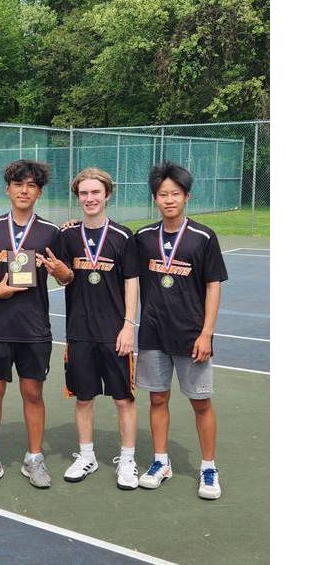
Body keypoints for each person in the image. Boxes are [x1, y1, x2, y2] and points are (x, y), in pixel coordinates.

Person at [0, 159, 70, 491]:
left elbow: (66, 278)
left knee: (32, 393)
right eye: (18, 184)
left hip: (33, 330)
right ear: (8, 189)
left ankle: (34, 459)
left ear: (39, 192)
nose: (24, 190)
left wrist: (61, 270)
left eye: (31, 185)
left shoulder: (50, 232)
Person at [131, 162, 229, 500]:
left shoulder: (203, 237)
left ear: (186, 197)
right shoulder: (143, 237)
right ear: (155, 199)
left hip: (191, 336)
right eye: (162, 194)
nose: (169, 200)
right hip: (154, 335)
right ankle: (161, 462)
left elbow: (213, 287)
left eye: (175, 194)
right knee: (158, 398)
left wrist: (207, 333)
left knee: (201, 403)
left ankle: (208, 467)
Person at [51, 168, 143, 489]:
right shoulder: (67, 236)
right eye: (84, 193)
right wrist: (58, 270)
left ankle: (128, 459)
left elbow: (132, 283)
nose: (89, 199)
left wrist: (129, 326)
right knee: (83, 398)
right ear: (78, 197)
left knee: (123, 399)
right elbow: (63, 278)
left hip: (114, 332)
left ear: (107, 195)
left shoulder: (123, 236)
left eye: (95, 193)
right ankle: (86, 455)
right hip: (79, 332)